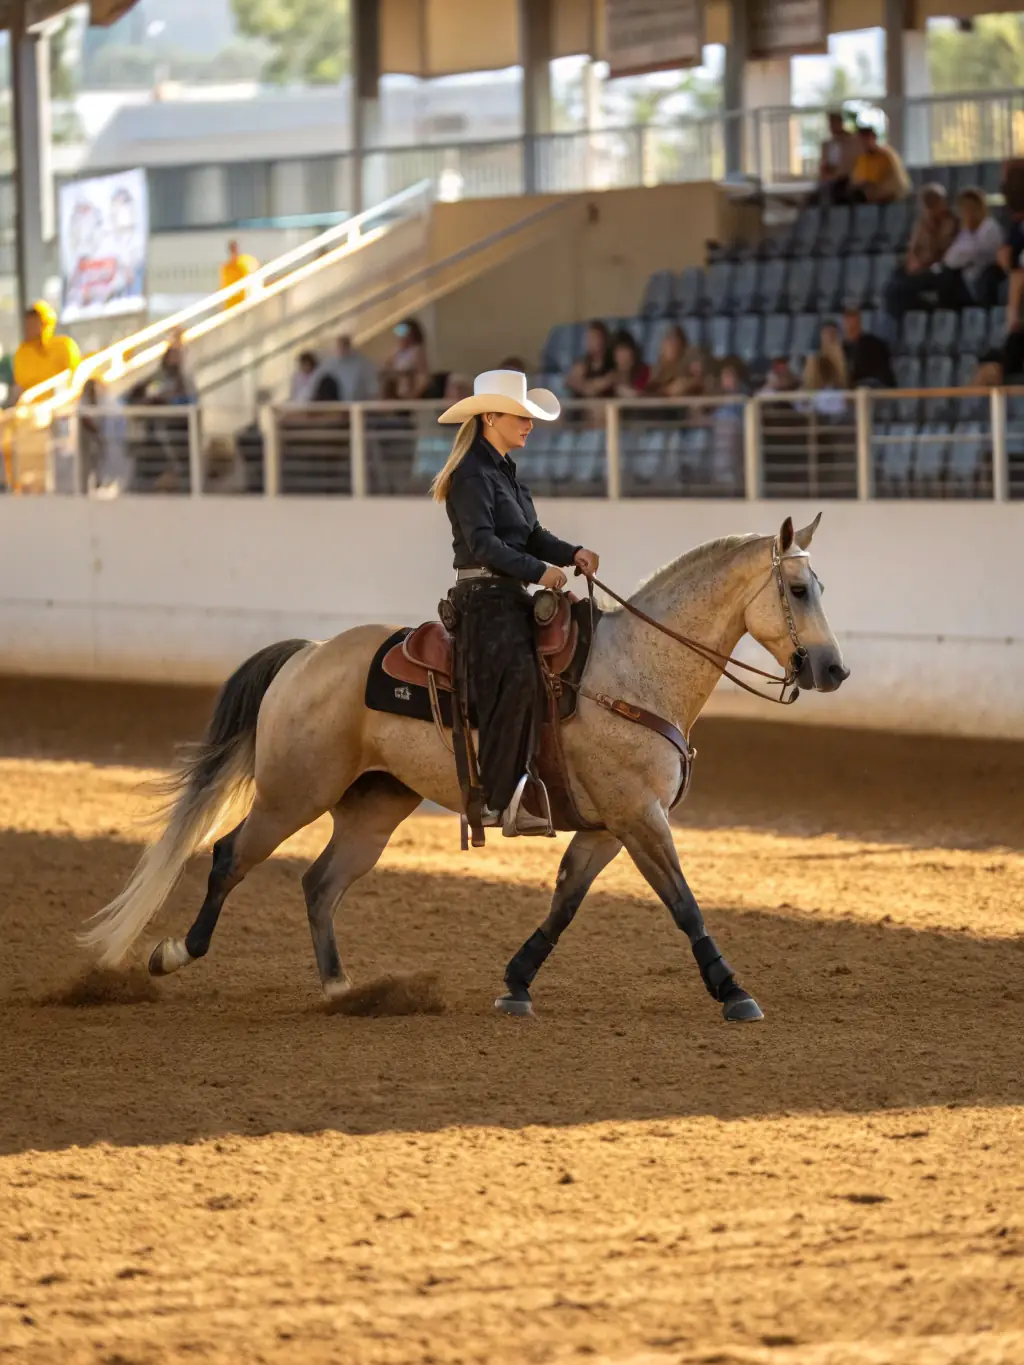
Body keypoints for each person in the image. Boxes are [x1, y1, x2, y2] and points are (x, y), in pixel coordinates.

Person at [431, 369, 600, 837]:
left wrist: (570, 554)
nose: (529, 424)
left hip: (506, 594)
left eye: (530, 417)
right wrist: (538, 571)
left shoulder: (504, 474)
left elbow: (532, 536)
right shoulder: (471, 476)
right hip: (484, 597)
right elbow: (483, 545)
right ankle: (495, 799)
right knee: (519, 678)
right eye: (520, 416)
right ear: (490, 417)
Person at [884, 184, 960, 320]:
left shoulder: (951, 222)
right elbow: (913, 249)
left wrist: (925, 260)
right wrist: (912, 262)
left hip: (937, 270)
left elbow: (942, 252)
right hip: (920, 268)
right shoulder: (921, 223)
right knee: (893, 285)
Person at [13, 300, 80, 397]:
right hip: (31, 408)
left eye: (34, 323)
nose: (28, 328)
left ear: (45, 323)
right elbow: (19, 387)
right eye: (27, 324)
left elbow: (74, 379)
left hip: (61, 405)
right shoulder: (22, 353)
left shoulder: (64, 346)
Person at [849, 125, 911, 205]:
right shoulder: (861, 158)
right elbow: (856, 179)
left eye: (866, 139)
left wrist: (866, 184)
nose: (863, 143)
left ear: (874, 138)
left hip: (889, 193)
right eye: (861, 140)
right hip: (867, 194)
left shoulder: (886, 155)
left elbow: (878, 179)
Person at [842, 308, 895, 388]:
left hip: (876, 387)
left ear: (859, 323)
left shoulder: (873, 343)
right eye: (848, 322)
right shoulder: (842, 348)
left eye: (854, 322)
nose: (851, 326)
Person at [645, 325, 701, 398]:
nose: (672, 345)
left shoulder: (689, 367)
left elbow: (700, 382)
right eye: (668, 341)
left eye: (675, 341)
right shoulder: (656, 370)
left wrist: (687, 384)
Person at [565, 320, 614, 398]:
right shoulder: (581, 363)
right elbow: (569, 381)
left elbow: (593, 389)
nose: (589, 341)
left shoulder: (612, 366)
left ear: (603, 340)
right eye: (587, 337)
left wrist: (582, 385)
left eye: (593, 337)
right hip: (581, 407)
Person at [818, 111, 859, 203]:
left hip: (846, 179)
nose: (832, 127)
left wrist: (838, 175)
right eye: (831, 124)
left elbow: (852, 163)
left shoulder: (852, 142)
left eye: (835, 123)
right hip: (830, 179)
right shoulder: (827, 145)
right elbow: (824, 163)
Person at [384, 318, 430, 399]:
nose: (399, 336)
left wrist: (415, 393)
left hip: (412, 393)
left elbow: (423, 377)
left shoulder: (417, 352)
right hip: (397, 393)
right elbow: (387, 368)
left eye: (402, 332)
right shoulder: (397, 352)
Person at [607, 329, 649, 397]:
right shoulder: (610, 378)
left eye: (626, 350)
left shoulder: (644, 373)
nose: (624, 356)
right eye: (620, 351)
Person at [219, 240, 259, 309]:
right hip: (232, 302)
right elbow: (223, 285)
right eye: (233, 249)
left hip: (247, 300)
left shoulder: (247, 261)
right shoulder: (227, 267)